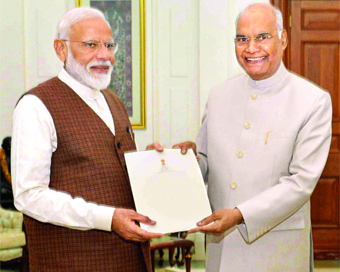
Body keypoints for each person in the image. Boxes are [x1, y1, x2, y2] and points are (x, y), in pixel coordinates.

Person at [173, 3, 332, 271]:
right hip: (222, 249)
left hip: (277, 250)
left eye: (262, 37)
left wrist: (239, 215)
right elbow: (205, 161)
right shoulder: (219, 95)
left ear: (282, 39)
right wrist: (182, 160)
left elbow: (300, 183)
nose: (251, 48)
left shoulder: (312, 101)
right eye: (242, 39)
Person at [11, 7, 163, 271]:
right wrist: (108, 219)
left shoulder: (114, 101)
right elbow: (29, 195)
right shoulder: (36, 105)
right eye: (91, 45)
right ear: (61, 49)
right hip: (71, 262)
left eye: (109, 45)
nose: (104, 55)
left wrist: (151, 162)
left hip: (130, 261)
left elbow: (111, 170)